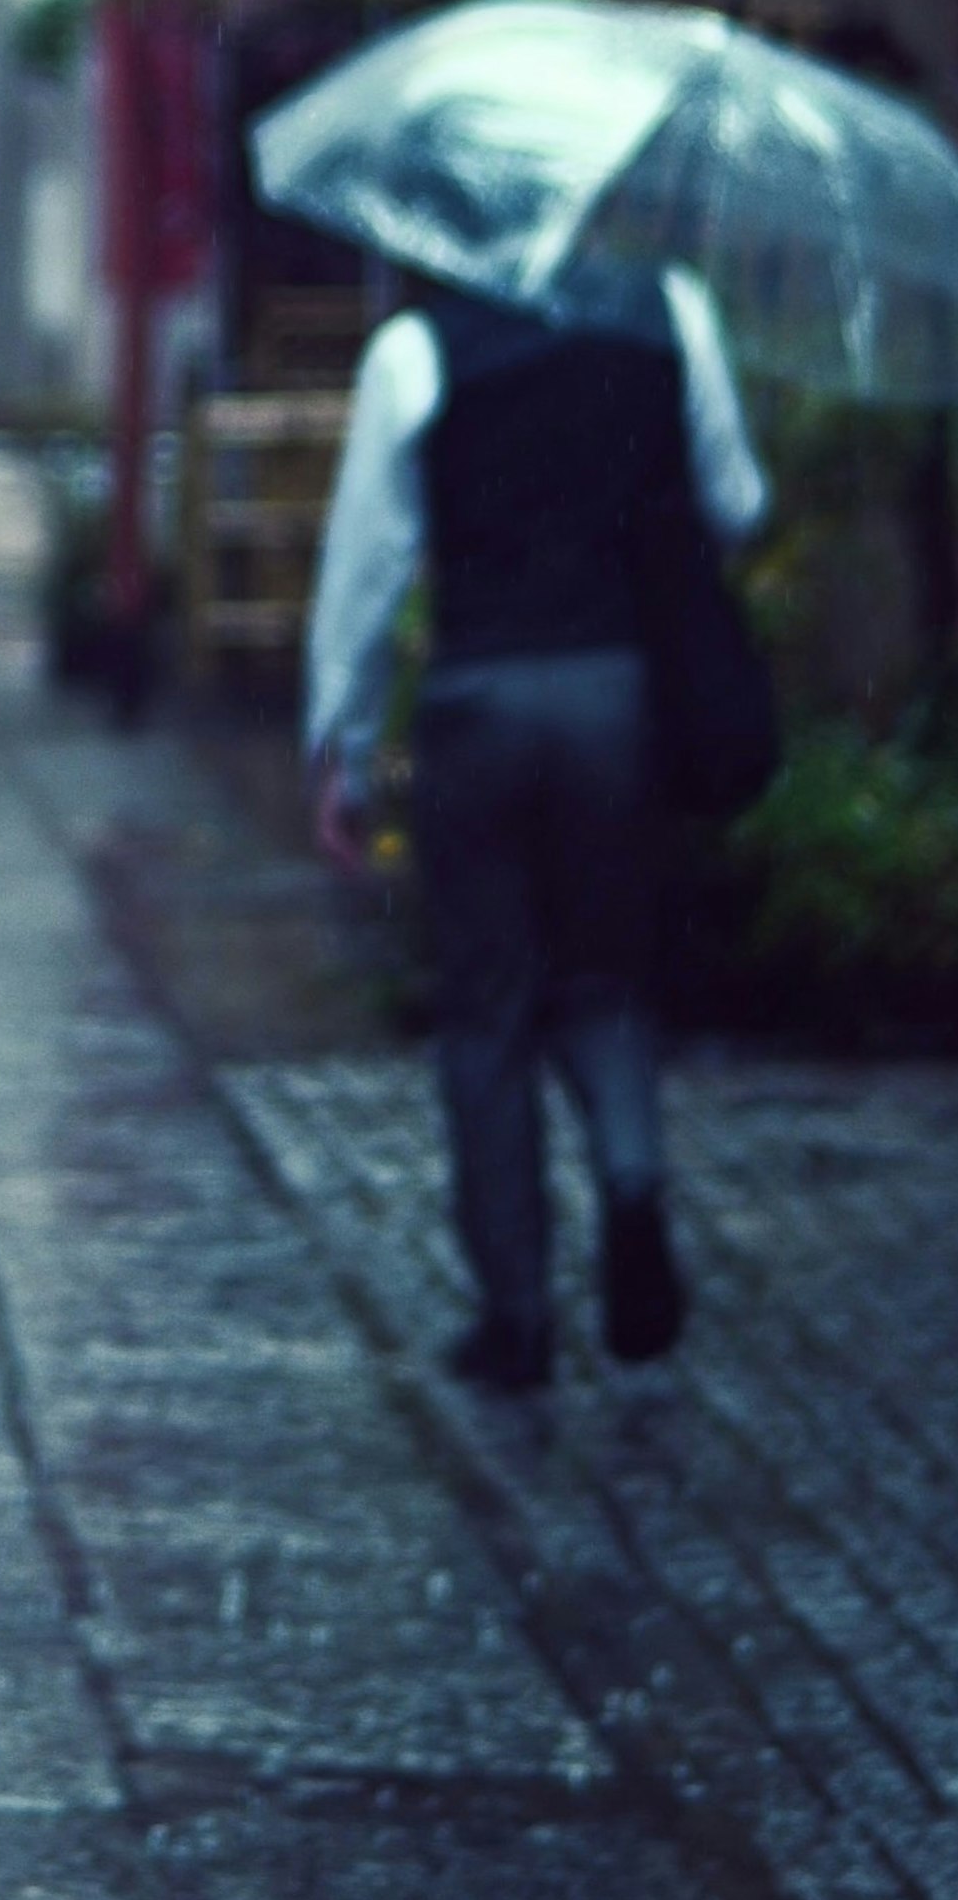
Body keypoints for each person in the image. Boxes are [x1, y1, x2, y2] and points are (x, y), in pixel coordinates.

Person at [303, 265, 768, 1394]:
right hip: (614, 693)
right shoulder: (670, 310)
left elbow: (369, 563)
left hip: (481, 700)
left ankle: (516, 1315)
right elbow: (738, 502)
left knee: (487, 1010)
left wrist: (344, 745)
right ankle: (632, 1176)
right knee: (608, 980)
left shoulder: (419, 349)